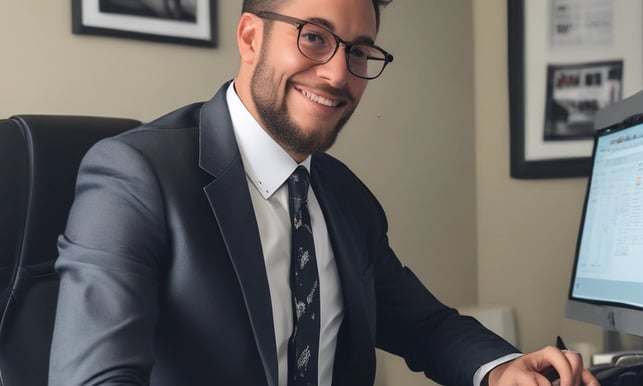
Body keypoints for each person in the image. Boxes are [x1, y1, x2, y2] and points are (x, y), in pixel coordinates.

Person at [49, 0, 600, 385]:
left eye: (359, 52)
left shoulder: (344, 197)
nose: (339, 74)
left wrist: (501, 369)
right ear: (250, 37)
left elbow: (425, 324)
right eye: (314, 37)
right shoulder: (137, 174)